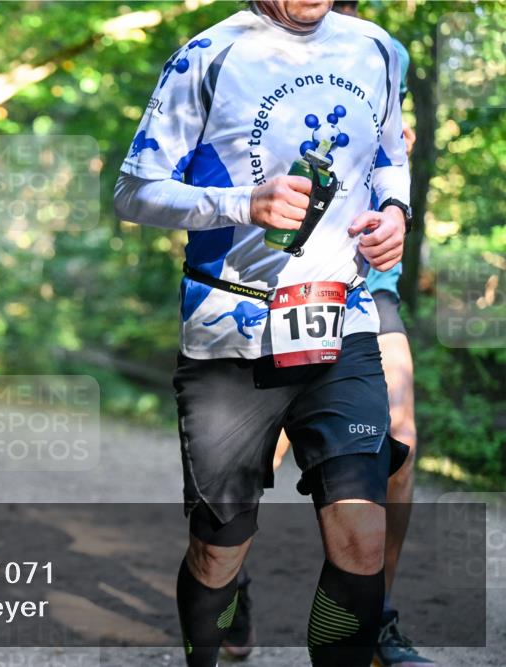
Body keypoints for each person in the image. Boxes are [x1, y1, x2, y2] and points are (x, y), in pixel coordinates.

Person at [113, 1, 413, 665]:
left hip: (343, 321)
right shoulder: (207, 57)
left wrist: (395, 211)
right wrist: (242, 203)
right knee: (219, 549)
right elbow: (133, 191)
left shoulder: (374, 49)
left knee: (361, 532)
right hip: (230, 337)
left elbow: (390, 156)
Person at [238, 2, 433, 665]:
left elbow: (391, 149)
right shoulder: (251, 47)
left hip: (365, 287)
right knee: (256, 452)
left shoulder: (384, 51)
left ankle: (375, 618)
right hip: (276, 283)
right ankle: (226, 581)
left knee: (399, 441)